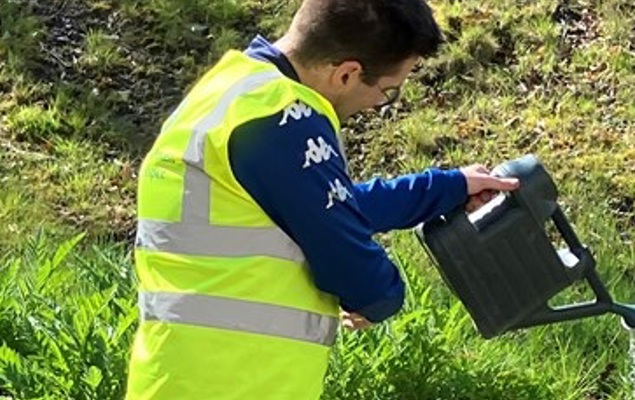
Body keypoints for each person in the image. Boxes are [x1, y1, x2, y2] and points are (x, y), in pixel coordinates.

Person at [125, 0, 519, 399]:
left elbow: (314, 210)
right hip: (237, 384)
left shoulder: (231, 91)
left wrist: (447, 187)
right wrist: (381, 295)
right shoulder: (285, 118)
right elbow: (354, 267)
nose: (377, 105)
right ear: (347, 73)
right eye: (388, 91)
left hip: (178, 377)